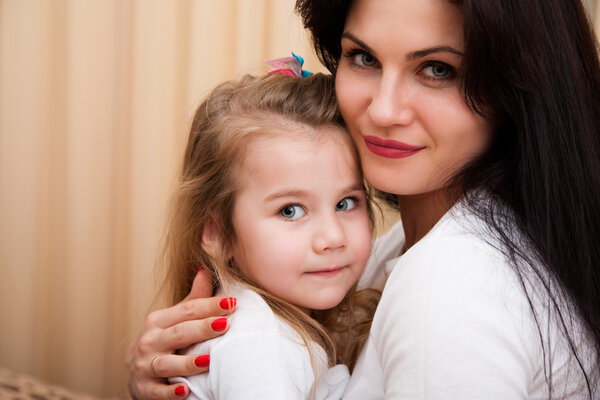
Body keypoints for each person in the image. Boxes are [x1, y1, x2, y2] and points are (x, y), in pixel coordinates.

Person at [127, 0, 600, 398]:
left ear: (515, 86)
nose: (383, 110)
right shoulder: (398, 245)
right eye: (364, 58)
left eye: (437, 69)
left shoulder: (452, 287)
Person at [139, 71, 380, 399]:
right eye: (290, 210)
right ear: (219, 234)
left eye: (345, 202)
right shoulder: (258, 345)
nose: (333, 237)